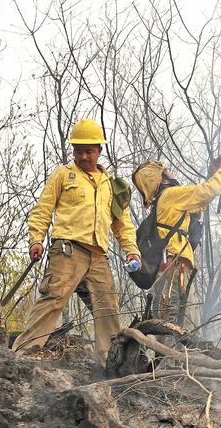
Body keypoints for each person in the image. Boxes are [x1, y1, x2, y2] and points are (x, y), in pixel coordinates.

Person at [13, 119, 141, 364]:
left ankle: (108, 364)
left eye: (89, 151)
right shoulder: (63, 175)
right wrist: (36, 240)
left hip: (98, 257)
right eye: (78, 151)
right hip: (68, 251)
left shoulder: (112, 186)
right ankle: (22, 357)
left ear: (99, 151)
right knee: (53, 299)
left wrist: (132, 251)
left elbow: (122, 223)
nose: (83, 156)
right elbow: (42, 210)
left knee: (108, 309)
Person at [132, 155, 221, 329]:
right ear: (161, 178)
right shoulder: (171, 195)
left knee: (187, 325)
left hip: (178, 271)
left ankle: (181, 356)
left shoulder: (167, 200)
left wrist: (211, 175)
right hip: (174, 271)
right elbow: (206, 192)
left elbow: (199, 204)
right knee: (174, 326)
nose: (172, 172)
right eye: (167, 170)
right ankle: (172, 357)